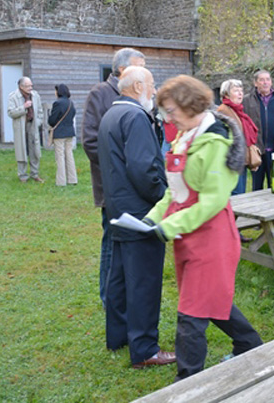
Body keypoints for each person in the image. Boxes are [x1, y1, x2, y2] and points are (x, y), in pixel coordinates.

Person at [143, 75, 263, 381]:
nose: (167, 117)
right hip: (188, 235)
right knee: (208, 299)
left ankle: (188, 383)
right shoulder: (185, 136)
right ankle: (250, 344)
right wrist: (152, 219)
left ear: (190, 105)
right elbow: (174, 191)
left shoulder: (215, 142)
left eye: (171, 110)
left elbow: (213, 201)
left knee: (191, 314)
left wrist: (171, 225)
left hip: (212, 238)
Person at [97, 66, 173, 369]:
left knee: (119, 278)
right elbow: (144, 169)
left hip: (118, 208)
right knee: (144, 281)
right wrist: (164, 197)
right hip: (141, 213)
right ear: (138, 85)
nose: (155, 91)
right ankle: (144, 349)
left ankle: (118, 336)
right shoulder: (135, 116)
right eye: (152, 84)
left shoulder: (111, 114)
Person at [82, 48, 146, 307]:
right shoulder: (100, 93)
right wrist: (118, 172)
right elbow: (90, 142)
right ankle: (109, 298)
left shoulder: (138, 95)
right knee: (112, 243)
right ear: (121, 69)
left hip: (135, 187)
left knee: (131, 244)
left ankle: (125, 295)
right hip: (112, 186)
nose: (144, 72)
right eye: (139, 66)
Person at [216, 79, 260, 195]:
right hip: (232, 161)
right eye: (236, 91)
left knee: (241, 193)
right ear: (226, 94)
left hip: (241, 160)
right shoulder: (223, 110)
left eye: (241, 90)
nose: (240, 93)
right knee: (236, 195)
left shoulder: (238, 111)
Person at [7, 76, 44, 183]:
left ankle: (35, 174)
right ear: (21, 86)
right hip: (21, 127)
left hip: (33, 125)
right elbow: (11, 113)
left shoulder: (35, 95)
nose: (30, 88)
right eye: (28, 86)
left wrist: (38, 122)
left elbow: (40, 111)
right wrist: (23, 107)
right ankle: (22, 175)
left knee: (35, 150)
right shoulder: (13, 97)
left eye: (31, 85)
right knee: (21, 151)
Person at [47, 83, 78, 187]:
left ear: (58, 92)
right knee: (69, 155)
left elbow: (52, 120)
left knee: (60, 157)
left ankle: (61, 181)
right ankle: (72, 179)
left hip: (59, 133)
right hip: (69, 132)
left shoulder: (57, 103)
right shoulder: (71, 103)